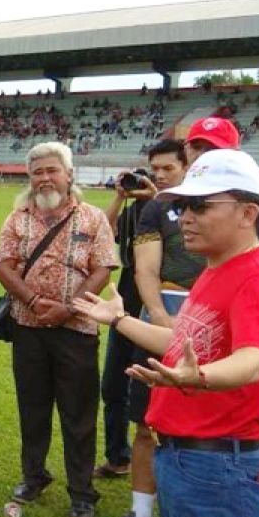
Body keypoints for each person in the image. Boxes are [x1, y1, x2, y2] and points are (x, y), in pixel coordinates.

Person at [73, 148, 259, 517]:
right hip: (185, 461)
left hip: (216, 467)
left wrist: (199, 377)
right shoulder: (216, 270)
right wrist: (119, 321)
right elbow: (180, 344)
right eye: (180, 207)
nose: (183, 218)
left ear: (248, 212)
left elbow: (254, 359)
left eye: (199, 206)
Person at [0, 141, 118, 517]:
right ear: (29, 179)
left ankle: (82, 492)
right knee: (32, 408)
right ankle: (34, 476)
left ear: (69, 175)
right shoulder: (18, 218)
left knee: (78, 414)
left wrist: (70, 306)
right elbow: (3, 266)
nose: (45, 178)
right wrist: (32, 302)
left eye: (52, 170)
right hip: (28, 329)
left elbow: (103, 268)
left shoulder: (93, 218)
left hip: (77, 329)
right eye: (37, 172)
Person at [104, 139, 203, 517]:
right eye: (155, 169)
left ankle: (194, 515)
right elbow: (136, 262)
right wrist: (161, 318)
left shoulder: (213, 208)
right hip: (149, 318)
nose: (160, 176)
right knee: (146, 419)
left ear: (188, 165)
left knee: (202, 424)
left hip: (201, 323)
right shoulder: (150, 210)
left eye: (168, 168)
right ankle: (142, 515)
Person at [95, 162, 154, 480]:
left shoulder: (170, 213)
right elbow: (104, 230)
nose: (138, 186)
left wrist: (155, 197)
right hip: (125, 310)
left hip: (158, 318)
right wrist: (120, 198)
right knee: (113, 388)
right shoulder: (132, 212)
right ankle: (118, 457)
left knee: (152, 394)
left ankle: (156, 460)